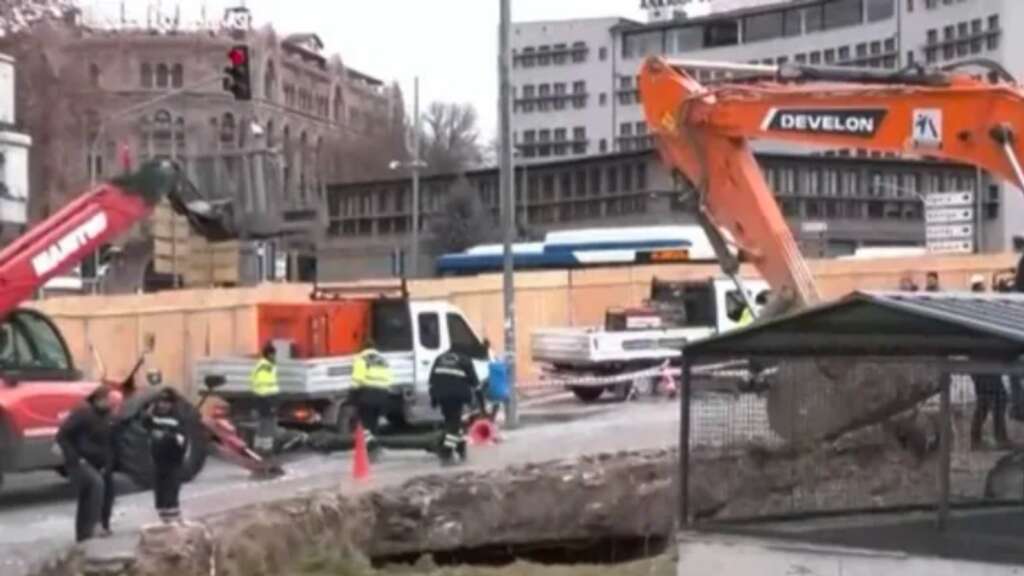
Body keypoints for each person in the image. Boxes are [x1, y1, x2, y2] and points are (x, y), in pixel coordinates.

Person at [57, 384, 116, 543]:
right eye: (105, 399)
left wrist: (108, 464)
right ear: (96, 400)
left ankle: (97, 527)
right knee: (95, 486)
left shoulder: (108, 416)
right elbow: (62, 435)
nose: (108, 403)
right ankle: (91, 528)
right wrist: (74, 457)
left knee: (107, 489)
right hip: (80, 461)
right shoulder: (83, 413)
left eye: (109, 400)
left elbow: (109, 443)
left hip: (100, 462)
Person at [968, 279, 1012, 450]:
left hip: (982, 362)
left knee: (985, 401)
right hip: (983, 362)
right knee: (998, 398)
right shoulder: (980, 312)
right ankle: (998, 438)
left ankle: (978, 439)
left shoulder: (980, 311)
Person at [428, 346, 481, 466]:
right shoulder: (465, 360)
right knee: (454, 426)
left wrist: (433, 399)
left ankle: (460, 448)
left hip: (441, 395)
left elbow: (431, 380)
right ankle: (446, 452)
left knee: (451, 423)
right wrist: (481, 405)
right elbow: (476, 384)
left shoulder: (440, 358)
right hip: (457, 397)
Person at [143, 388, 188, 524]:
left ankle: (173, 516)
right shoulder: (154, 416)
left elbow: (181, 439)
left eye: (166, 402)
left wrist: (166, 437)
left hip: (173, 460)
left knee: (171, 488)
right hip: (158, 459)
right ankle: (164, 518)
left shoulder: (178, 418)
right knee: (160, 490)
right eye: (160, 402)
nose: (163, 405)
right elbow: (146, 426)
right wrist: (147, 416)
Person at [352, 341, 394, 461]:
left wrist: (352, 396)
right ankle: (373, 455)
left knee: (361, 425)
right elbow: (389, 380)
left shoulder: (361, 359)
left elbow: (357, 380)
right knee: (373, 425)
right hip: (383, 396)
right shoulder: (383, 360)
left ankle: (373, 447)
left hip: (368, 395)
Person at [250, 343, 279, 458]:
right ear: (269, 354)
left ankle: (257, 448)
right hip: (268, 398)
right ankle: (266, 451)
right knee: (268, 425)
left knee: (261, 424)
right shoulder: (268, 366)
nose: (275, 356)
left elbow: (255, 382)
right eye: (273, 354)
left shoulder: (259, 365)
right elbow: (269, 384)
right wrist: (273, 402)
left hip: (259, 398)